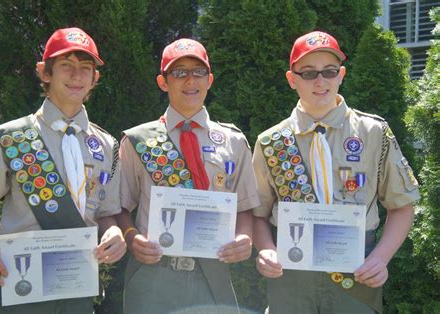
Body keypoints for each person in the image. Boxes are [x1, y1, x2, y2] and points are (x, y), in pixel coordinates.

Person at [252, 31, 420, 313]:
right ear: (292, 79)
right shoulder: (272, 141)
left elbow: (402, 206)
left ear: (340, 75)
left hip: (357, 274)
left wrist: (381, 258)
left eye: (329, 72)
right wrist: (266, 249)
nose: (320, 81)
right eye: (308, 73)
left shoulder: (373, 133)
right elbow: (257, 213)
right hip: (292, 275)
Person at [0, 27, 126, 313]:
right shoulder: (15, 138)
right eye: (66, 66)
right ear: (45, 72)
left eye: (85, 67)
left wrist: (115, 234)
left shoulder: (106, 144)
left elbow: (107, 213)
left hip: (77, 285)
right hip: (21, 285)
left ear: (95, 78)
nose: (76, 75)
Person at [116, 38, 260, 313]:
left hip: (211, 274)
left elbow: (245, 208)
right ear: (163, 81)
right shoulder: (138, 141)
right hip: (153, 276)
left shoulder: (233, 141)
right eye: (179, 72)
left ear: (210, 79)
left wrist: (245, 238)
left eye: (198, 72)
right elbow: (119, 207)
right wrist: (133, 238)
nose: (190, 80)